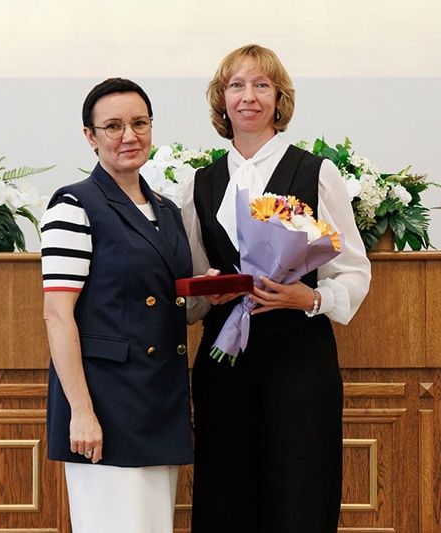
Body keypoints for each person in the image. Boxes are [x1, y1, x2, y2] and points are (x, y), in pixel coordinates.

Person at [182, 45, 372, 532]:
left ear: (279, 99)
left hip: (299, 357)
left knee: (300, 490)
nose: (248, 97)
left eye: (261, 85)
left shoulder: (316, 173)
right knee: (225, 494)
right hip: (224, 360)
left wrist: (310, 298)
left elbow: (353, 269)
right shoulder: (199, 184)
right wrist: (209, 291)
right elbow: (193, 288)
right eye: (237, 85)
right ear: (222, 99)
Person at [41, 77, 193, 533]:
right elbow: (57, 315)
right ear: (90, 136)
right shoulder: (74, 204)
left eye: (139, 123)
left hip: (158, 398)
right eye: (113, 126)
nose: (129, 136)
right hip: (106, 404)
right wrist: (82, 412)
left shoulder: (167, 210)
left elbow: (165, 300)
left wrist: (208, 293)